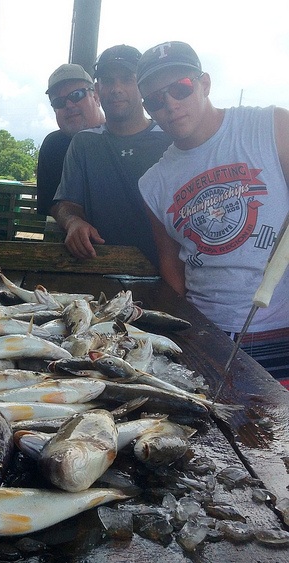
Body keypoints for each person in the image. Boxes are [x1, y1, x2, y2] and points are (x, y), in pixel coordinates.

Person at [137, 41, 289, 387]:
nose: (171, 105)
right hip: (206, 333)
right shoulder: (152, 184)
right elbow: (172, 266)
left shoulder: (273, 125)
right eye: (156, 100)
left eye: (181, 88)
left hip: (278, 328)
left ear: (204, 84)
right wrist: (184, 331)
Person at [52, 45, 172, 266]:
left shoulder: (170, 138)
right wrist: (73, 222)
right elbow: (66, 204)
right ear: (98, 90)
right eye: (108, 81)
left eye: (127, 79)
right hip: (99, 266)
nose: (116, 89)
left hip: (164, 268)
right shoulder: (83, 143)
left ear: (143, 86)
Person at [36, 63, 104, 218]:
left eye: (77, 95)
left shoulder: (122, 136)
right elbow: (50, 204)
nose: (68, 105)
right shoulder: (53, 146)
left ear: (96, 96)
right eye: (59, 102)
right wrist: (72, 221)